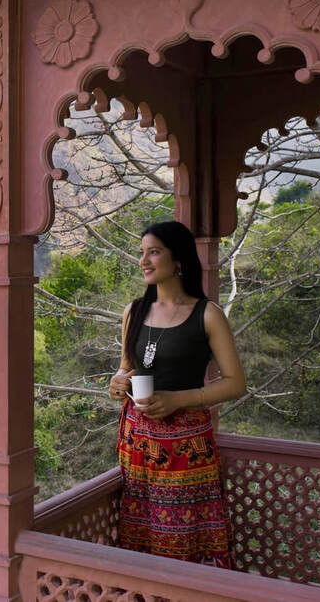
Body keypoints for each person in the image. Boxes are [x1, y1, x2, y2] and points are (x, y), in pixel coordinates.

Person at [107, 220, 247, 566]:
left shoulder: (207, 314)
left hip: (187, 450)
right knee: (140, 536)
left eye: (154, 252)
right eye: (141, 253)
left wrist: (178, 399)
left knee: (185, 538)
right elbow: (127, 366)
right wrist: (118, 381)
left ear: (178, 259)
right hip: (137, 445)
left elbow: (235, 382)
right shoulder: (134, 311)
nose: (143, 261)